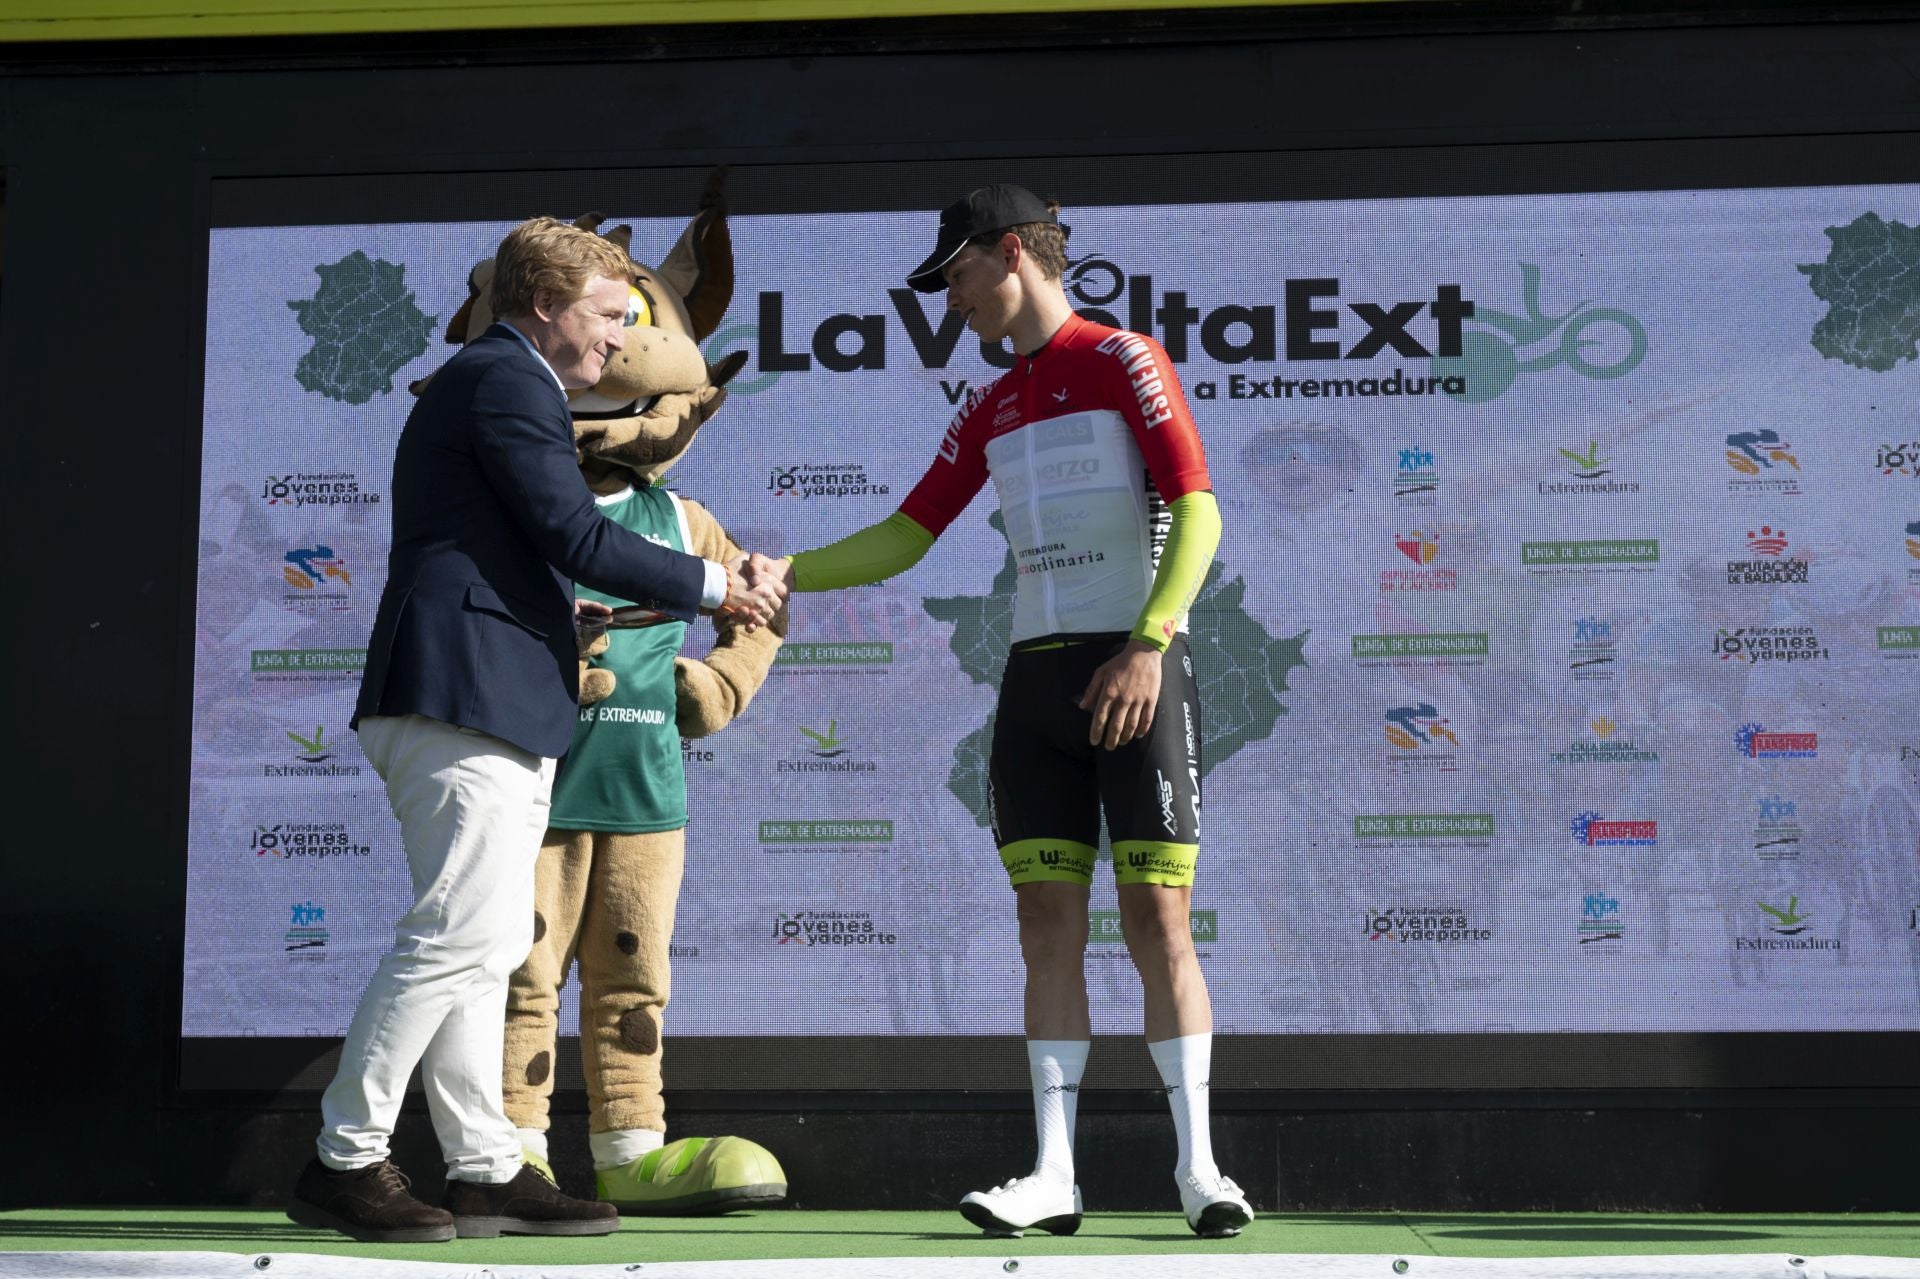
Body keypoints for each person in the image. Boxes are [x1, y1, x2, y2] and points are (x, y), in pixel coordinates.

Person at [285, 216, 785, 1244]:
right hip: (458, 696)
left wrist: (567, 618)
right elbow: (575, 532)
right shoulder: (509, 378)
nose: (616, 342)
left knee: (492, 937)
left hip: (491, 691)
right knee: (457, 932)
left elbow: (521, 552)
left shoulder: (502, 384)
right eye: (607, 315)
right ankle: (343, 1157)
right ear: (545, 304)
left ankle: (483, 1166)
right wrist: (716, 584)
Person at [774, 184, 1252, 1239]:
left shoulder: (1124, 358)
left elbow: (1201, 506)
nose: (952, 303)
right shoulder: (988, 405)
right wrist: (774, 573)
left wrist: (1150, 640)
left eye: (955, 279)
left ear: (1008, 255)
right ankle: (1052, 1175)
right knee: (1046, 926)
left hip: (1137, 671)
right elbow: (905, 537)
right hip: (1036, 684)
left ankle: (1201, 1170)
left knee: (1157, 919)